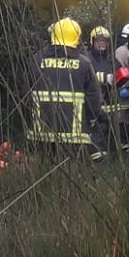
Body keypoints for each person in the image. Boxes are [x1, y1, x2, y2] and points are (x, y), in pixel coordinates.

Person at [27, 18, 108, 162]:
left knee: (44, 169)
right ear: (76, 38)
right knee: (70, 171)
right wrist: (91, 119)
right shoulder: (84, 63)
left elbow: (25, 91)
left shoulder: (36, 59)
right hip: (73, 134)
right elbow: (94, 97)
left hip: (41, 131)